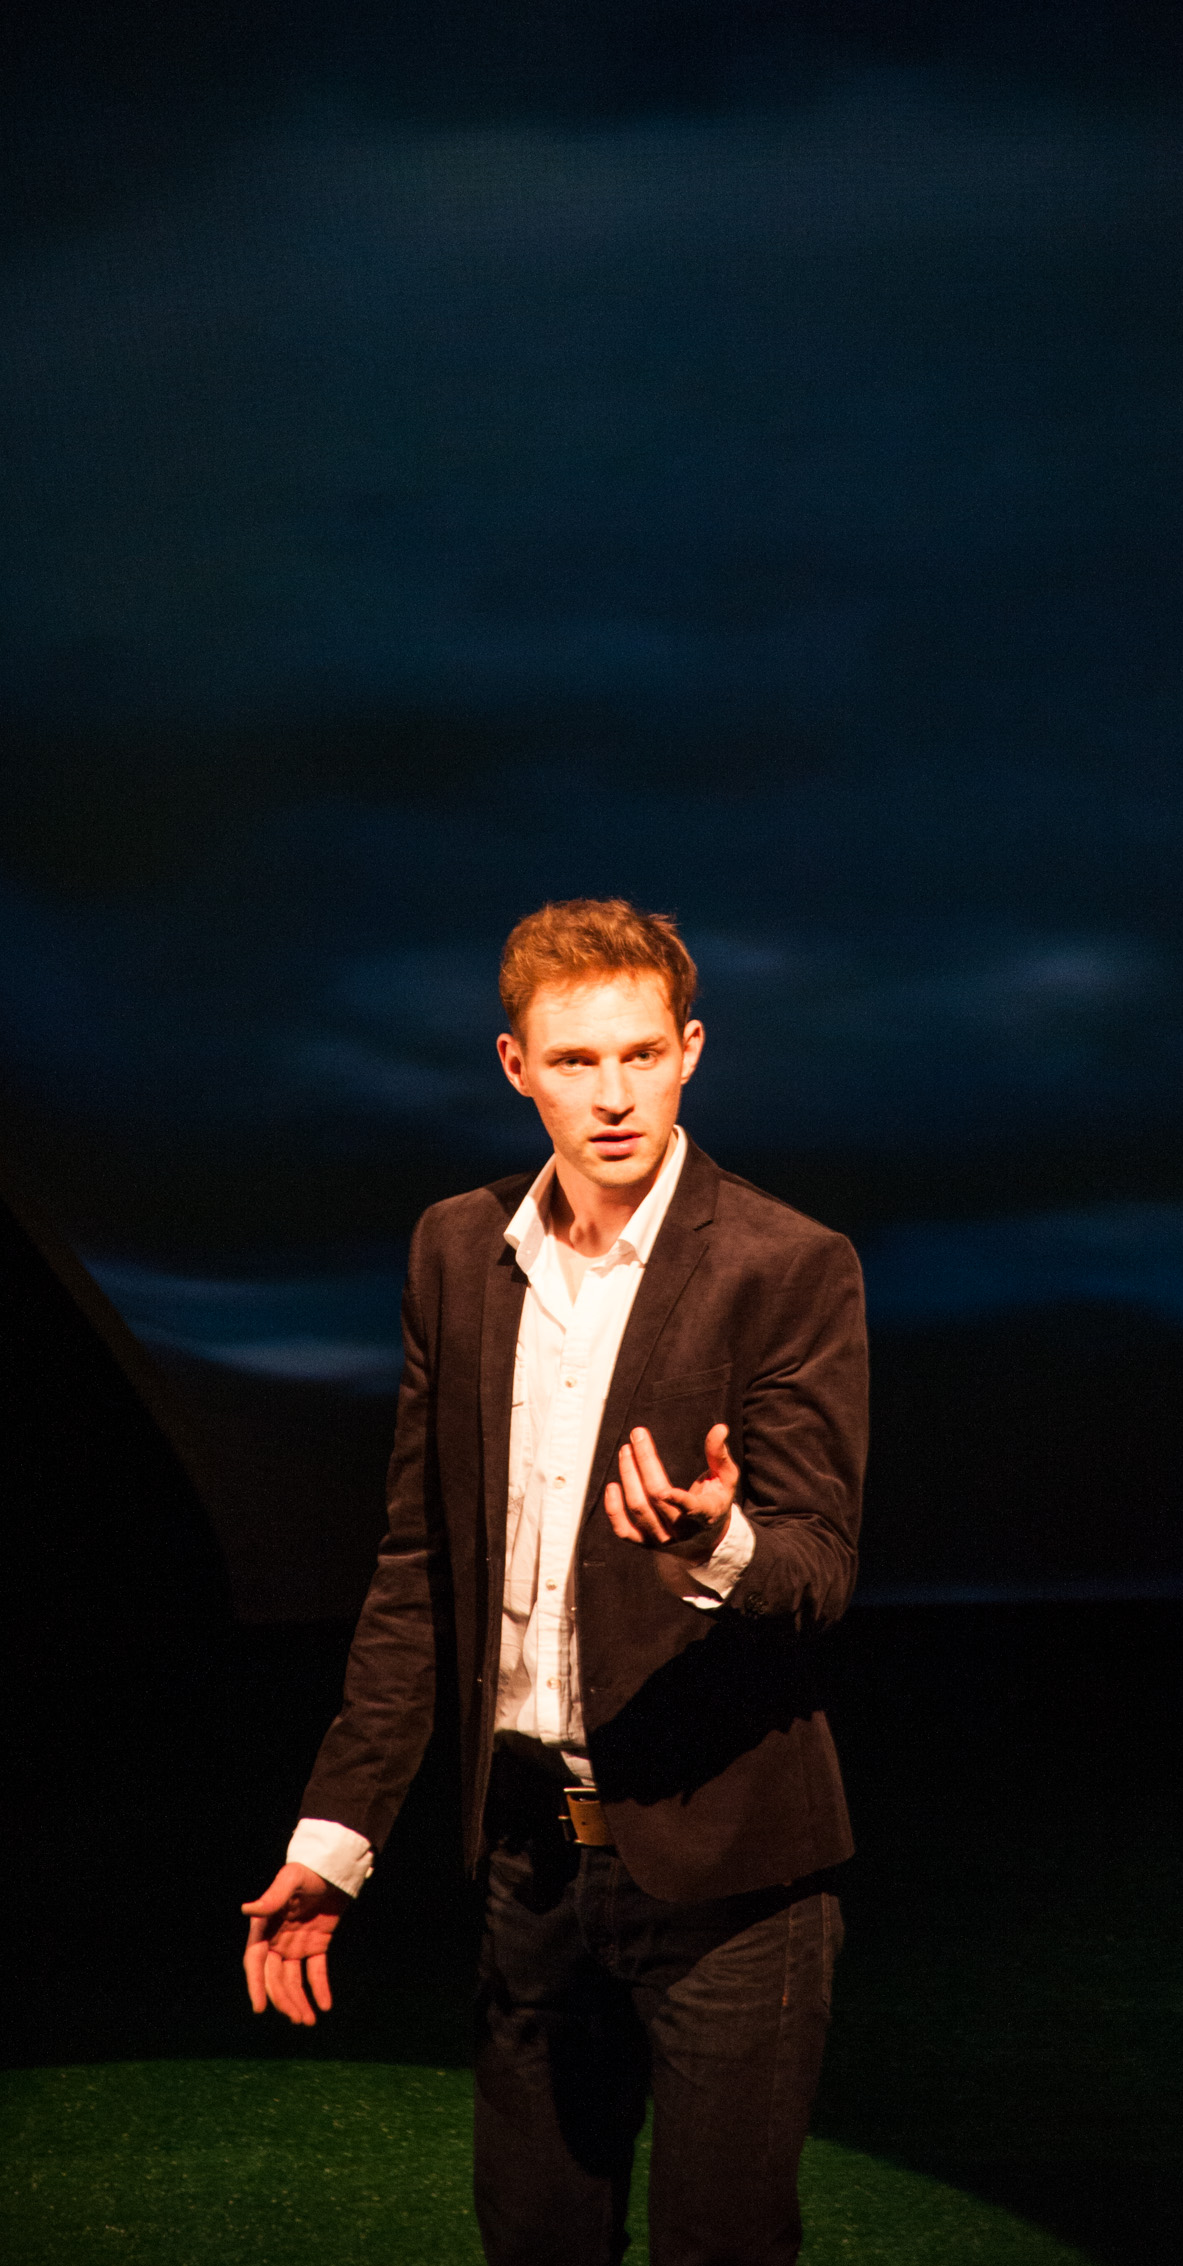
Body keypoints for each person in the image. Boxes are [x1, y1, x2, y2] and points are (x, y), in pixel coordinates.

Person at [241, 899, 868, 2266]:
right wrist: (333, 1840)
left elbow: (819, 1566)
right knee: (534, 2239)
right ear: (517, 1065)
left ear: (690, 1051)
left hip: (730, 1873)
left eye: (641, 1054)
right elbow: (419, 1569)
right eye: (577, 1061)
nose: (615, 1095)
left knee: (723, 2246)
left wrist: (715, 1540)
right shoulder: (458, 1251)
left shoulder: (787, 1265)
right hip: (528, 1858)